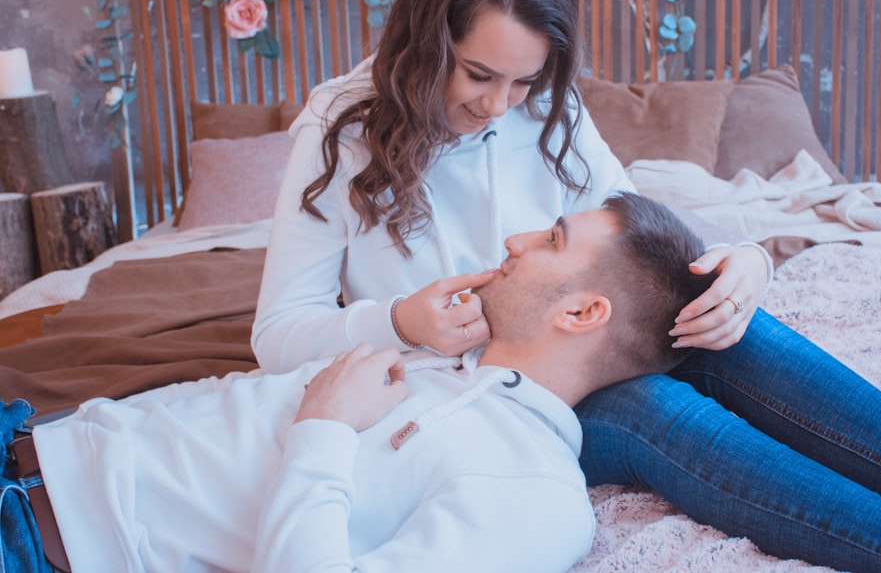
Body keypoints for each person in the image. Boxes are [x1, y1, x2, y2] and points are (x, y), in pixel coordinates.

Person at [252, 0, 881, 572]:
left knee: (723, 325)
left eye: (521, 82)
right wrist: (396, 321)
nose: (496, 107)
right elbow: (277, 334)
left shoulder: (544, 109)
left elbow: (637, 232)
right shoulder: (342, 130)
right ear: (426, 37)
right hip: (477, 399)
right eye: (477, 74)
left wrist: (743, 262)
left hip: (583, 340)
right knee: (650, 404)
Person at [2, 193, 713, 573]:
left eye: (552, 240)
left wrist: (326, 430)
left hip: (38, 536)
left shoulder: (538, 494)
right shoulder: (445, 361)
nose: (515, 240)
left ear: (585, 311)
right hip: (33, 435)